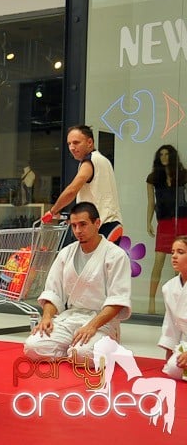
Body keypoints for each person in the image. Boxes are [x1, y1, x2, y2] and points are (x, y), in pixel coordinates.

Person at [25, 202, 132, 363]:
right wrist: (47, 317)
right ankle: (71, 348)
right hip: (71, 318)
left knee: (83, 355)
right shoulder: (66, 253)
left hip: (102, 322)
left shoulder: (116, 255)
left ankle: (101, 347)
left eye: (83, 224)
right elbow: (53, 292)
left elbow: (118, 300)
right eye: (73, 226)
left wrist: (92, 326)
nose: (78, 231)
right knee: (32, 347)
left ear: (97, 223)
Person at [41, 125, 123, 245]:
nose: (72, 147)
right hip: (111, 223)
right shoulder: (102, 160)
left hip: (103, 226)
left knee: (94, 263)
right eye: (69, 144)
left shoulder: (90, 161)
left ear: (90, 142)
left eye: (76, 143)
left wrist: (52, 211)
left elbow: (72, 190)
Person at [147, 145, 187, 314]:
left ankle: (177, 303)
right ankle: (151, 301)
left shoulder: (183, 175)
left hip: (183, 220)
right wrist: (148, 222)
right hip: (164, 222)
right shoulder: (153, 178)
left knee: (179, 263)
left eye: (167, 154)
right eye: (161, 154)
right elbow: (151, 202)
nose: (164, 157)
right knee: (159, 261)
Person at [158, 235, 187, 381]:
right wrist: (171, 353)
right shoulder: (168, 288)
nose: (174, 256)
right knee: (173, 368)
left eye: (180, 252)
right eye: (173, 252)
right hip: (185, 343)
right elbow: (171, 324)